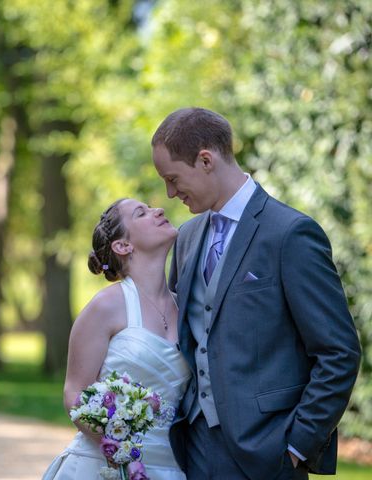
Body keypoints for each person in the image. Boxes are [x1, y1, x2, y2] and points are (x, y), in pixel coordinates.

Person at [151, 107, 361, 480]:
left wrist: (297, 446)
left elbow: (338, 352)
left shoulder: (290, 234)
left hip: (268, 453)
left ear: (205, 160)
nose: (170, 193)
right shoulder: (185, 239)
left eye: (173, 178)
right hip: (194, 447)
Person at [42, 198, 191, 479]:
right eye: (141, 213)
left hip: (171, 466)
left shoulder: (187, 308)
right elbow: (74, 395)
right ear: (123, 246)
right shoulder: (106, 306)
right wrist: (121, 452)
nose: (158, 210)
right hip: (104, 467)